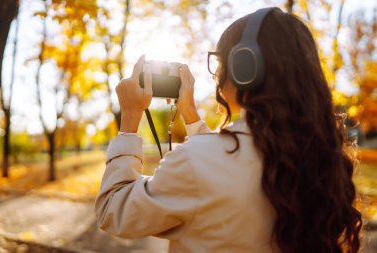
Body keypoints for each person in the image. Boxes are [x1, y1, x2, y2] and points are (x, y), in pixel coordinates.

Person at [94, 7, 362, 253]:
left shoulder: (196, 163)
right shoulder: (320, 158)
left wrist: (130, 118)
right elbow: (219, 174)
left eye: (220, 61)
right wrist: (191, 115)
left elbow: (113, 210)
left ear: (245, 67)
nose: (217, 72)